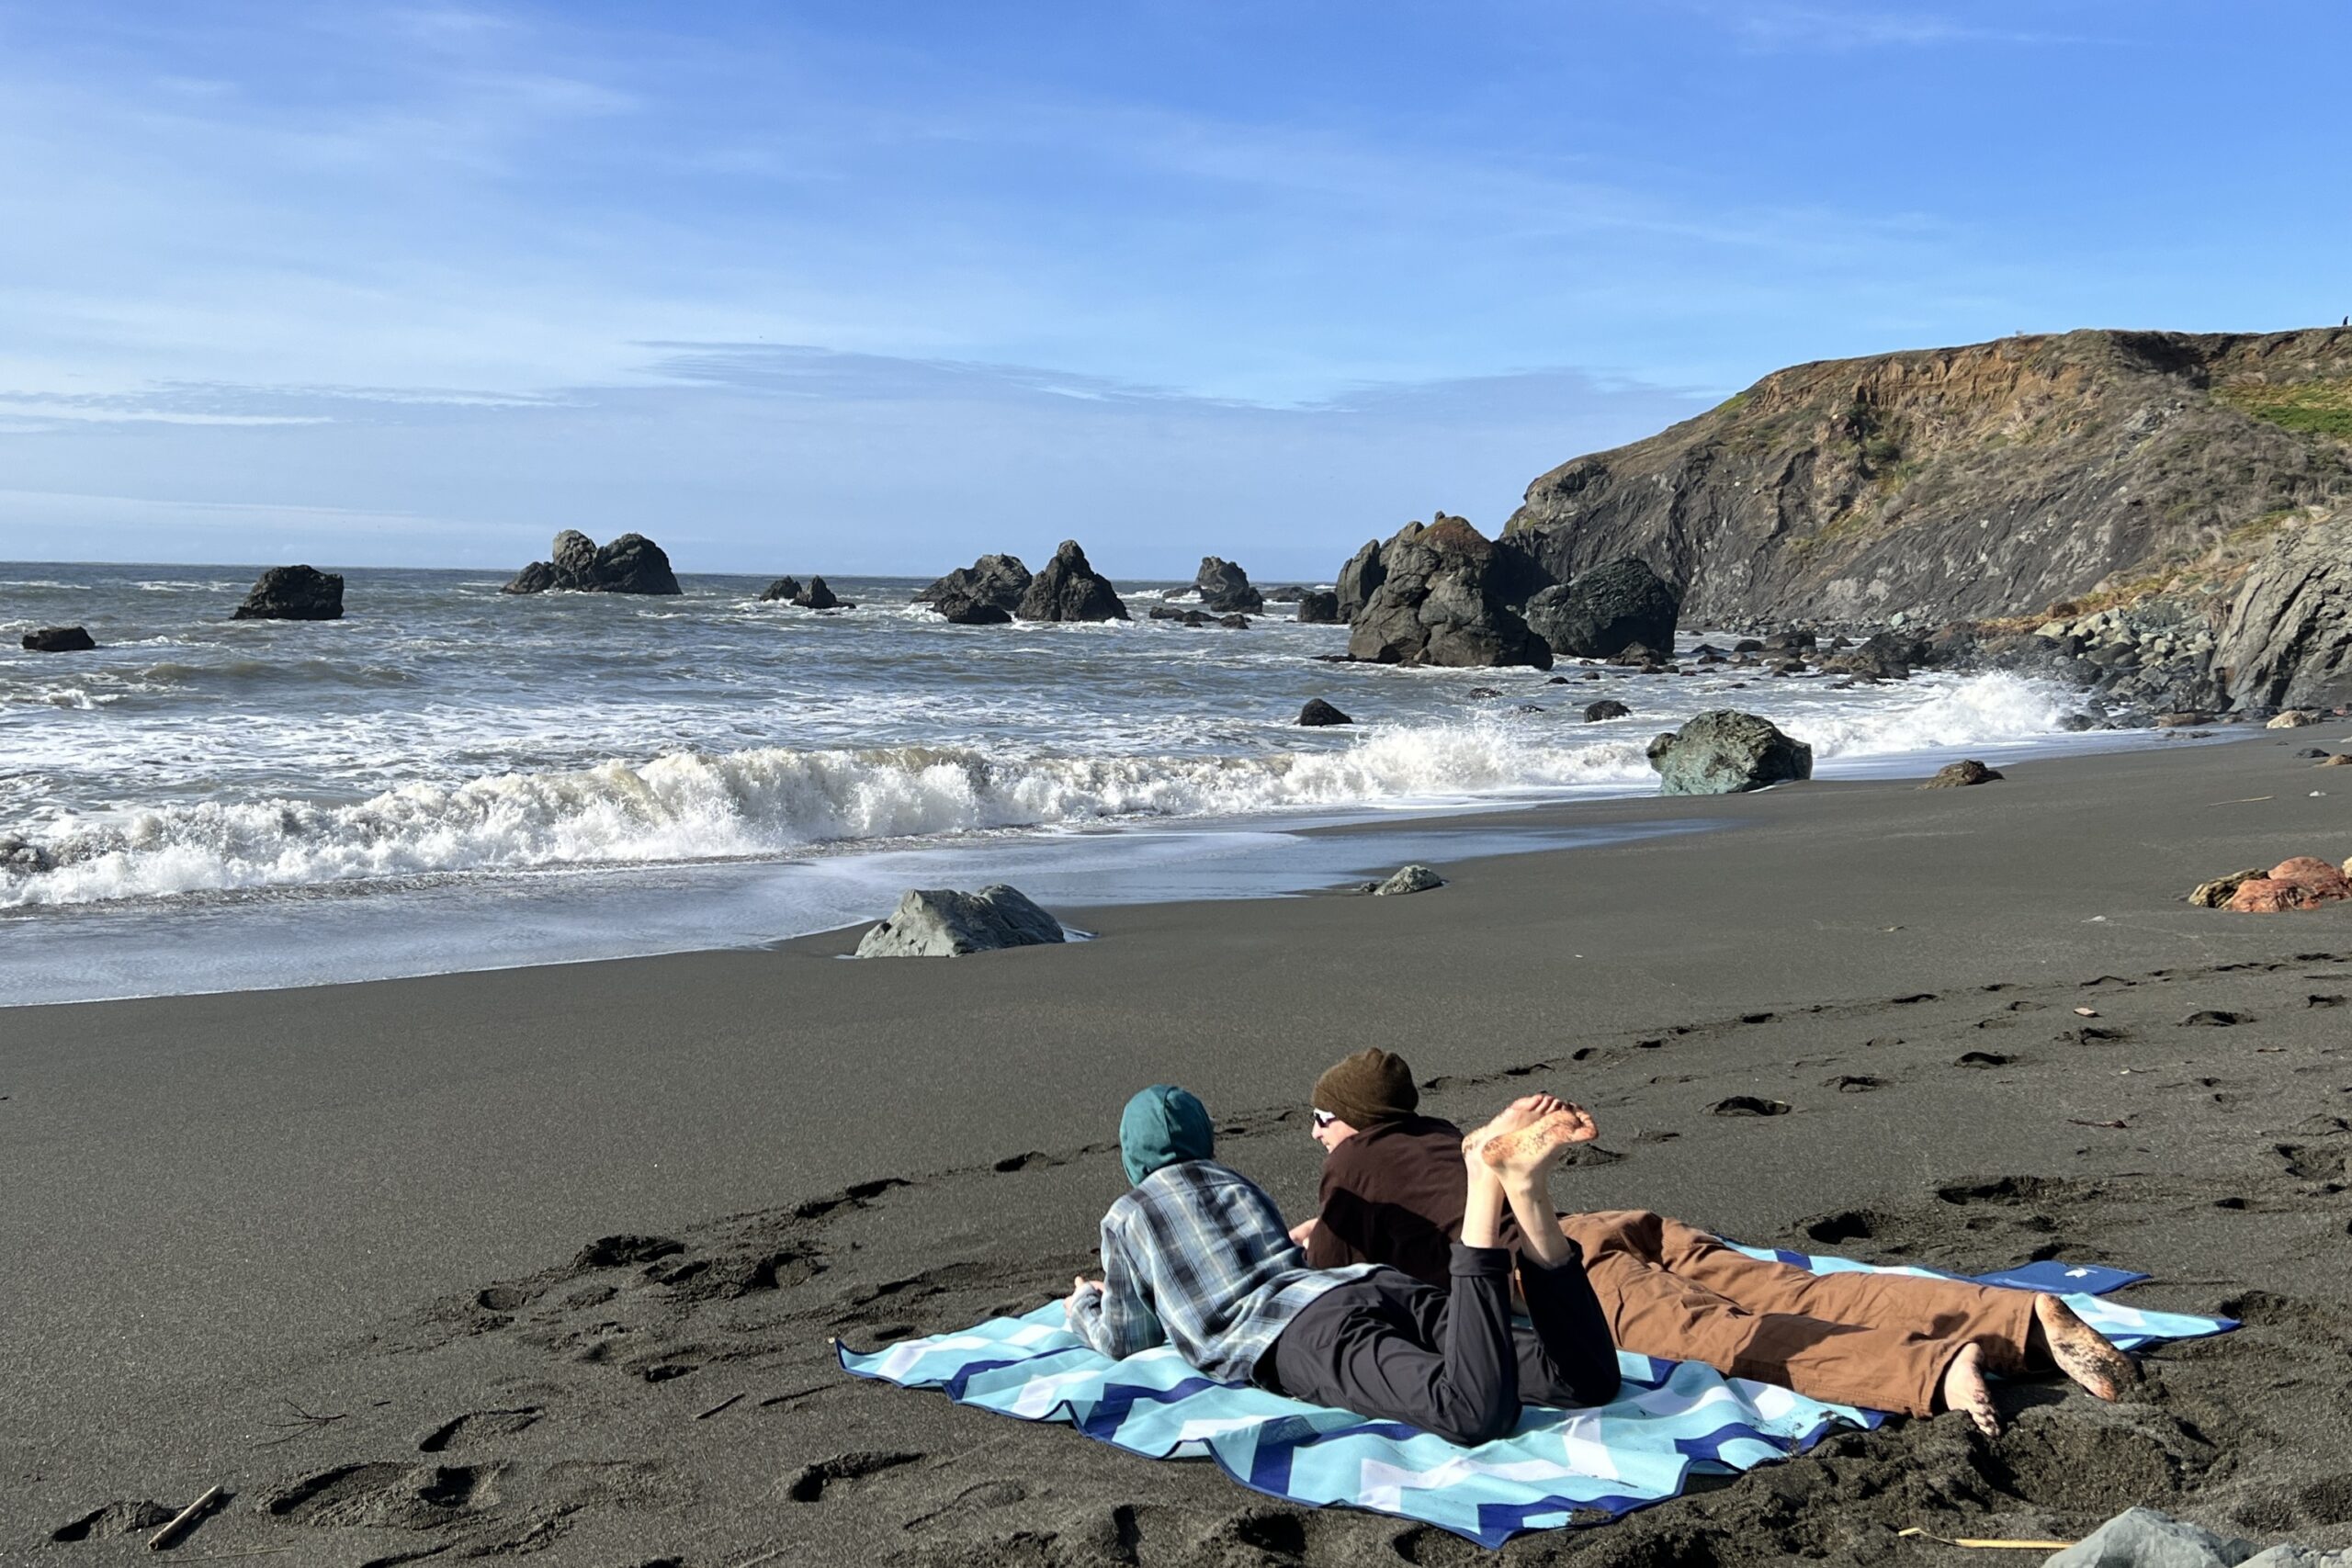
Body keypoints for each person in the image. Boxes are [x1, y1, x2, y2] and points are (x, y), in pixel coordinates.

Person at [1295, 1049, 2139, 1436]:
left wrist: (1315, 1227)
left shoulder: (1352, 1171)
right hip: (1612, 1226)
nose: (1316, 1135)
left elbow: (1328, 1274)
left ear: (1351, 1122)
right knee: (1793, 1288)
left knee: (1730, 1334)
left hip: (1539, 1269)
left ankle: (1928, 1368)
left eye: (1322, 1121)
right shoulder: (1439, 1134)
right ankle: (2020, 1316)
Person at [1064, 1084, 1618, 1447]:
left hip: (1296, 1334)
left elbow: (1125, 1337)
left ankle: (1484, 1178)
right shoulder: (1236, 1184)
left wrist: (1084, 1305)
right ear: (1205, 1141)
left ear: (1131, 1158)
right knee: (1582, 1379)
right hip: (1363, 1286)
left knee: (1472, 1412)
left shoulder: (1126, 1215)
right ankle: (1527, 1196)